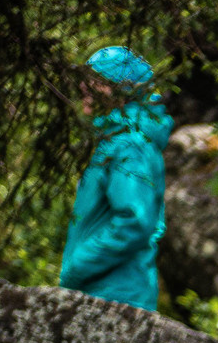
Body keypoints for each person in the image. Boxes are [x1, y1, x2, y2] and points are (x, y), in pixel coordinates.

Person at [57, 46, 172, 312]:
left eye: (95, 82)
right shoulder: (115, 140)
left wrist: (77, 267)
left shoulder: (129, 146)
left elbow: (135, 221)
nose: (84, 88)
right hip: (103, 294)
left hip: (118, 298)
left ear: (119, 90)